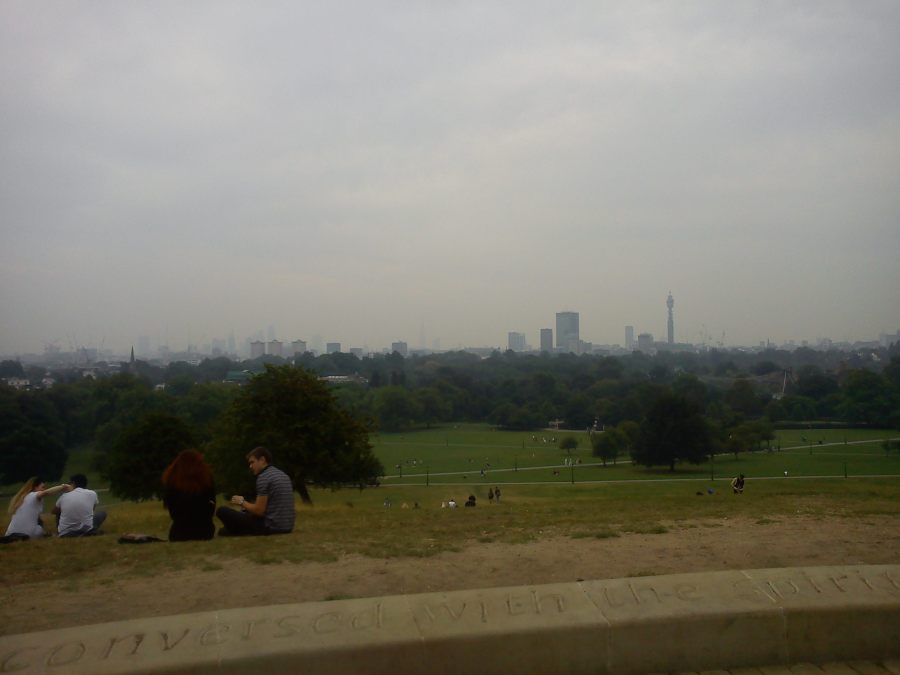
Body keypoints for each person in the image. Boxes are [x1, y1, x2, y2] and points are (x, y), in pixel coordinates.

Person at [216, 447, 295, 536]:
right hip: (286, 527)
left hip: (270, 527)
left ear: (262, 460)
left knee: (221, 511)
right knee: (240, 517)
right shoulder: (283, 475)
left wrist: (242, 502)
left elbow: (259, 511)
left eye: (252, 462)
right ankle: (232, 530)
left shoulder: (264, 477)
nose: (250, 466)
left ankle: (232, 530)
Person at [161, 450, 216, 541]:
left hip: (179, 533)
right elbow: (211, 506)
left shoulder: (171, 481)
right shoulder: (206, 479)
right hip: (205, 532)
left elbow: (172, 512)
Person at [5, 477, 71, 539]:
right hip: (27, 535)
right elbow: (46, 492)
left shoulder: (22, 498)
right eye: (42, 487)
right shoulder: (34, 495)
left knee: (38, 521)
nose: (43, 489)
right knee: (39, 527)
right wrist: (63, 487)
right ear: (35, 487)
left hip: (10, 533)